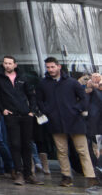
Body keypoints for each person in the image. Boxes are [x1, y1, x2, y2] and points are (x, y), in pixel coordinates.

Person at [37, 56, 96, 188]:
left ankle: (91, 177)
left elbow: (83, 98)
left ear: (59, 66)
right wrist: (48, 111)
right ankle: (66, 176)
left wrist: (77, 109)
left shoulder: (71, 82)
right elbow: (39, 100)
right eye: (48, 67)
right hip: (55, 121)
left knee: (82, 150)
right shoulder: (43, 84)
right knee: (62, 150)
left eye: (52, 66)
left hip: (75, 120)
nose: (50, 69)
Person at [0, 55, 42, 185]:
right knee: (15, 144)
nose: (7, 65)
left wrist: (32, 111)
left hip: (25, 115)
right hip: (11, 115)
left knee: (27, 144)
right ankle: (18, 172)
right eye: (5, 63)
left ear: (15, 64)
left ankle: (29, 173)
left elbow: (31, 95)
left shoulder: (23, 78)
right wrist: (2, 109)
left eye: (10, 63)